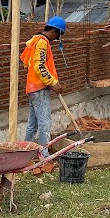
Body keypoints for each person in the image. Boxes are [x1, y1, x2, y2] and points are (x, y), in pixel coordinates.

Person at [20, 16, 65, 155]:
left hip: (35, 87)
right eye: (58, 35)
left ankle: (25, 152)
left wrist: (49, 83)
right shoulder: (42, 43)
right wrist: (53, 82)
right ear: (54, 31)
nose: (57, 39)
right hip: (39, 89)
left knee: (32, 124)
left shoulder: (36, 41)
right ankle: (44, 155)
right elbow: (39, 66)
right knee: (44, 123)